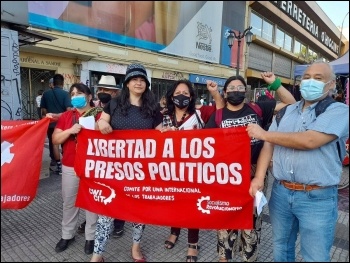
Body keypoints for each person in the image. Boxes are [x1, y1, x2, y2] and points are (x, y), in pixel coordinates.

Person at [246, 61, 349, 262]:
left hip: (317, 197)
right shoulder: (287, 111)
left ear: (330, 84)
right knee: (281, 249)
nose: (311, 82)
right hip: (281, 192)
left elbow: (310, 140)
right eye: (307, 77)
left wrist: (264, 133)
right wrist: (258, 178)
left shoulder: (339, 111)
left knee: (315, 256)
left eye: (318, 78)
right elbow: (268, 145)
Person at [204, 73, 296, 262]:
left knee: (252, 221)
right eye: (232, 88)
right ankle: (225, 257)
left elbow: (291, 103)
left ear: (245, 92)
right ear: (225, 92)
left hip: (256, 172)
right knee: (226, 218)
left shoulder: (258, 108)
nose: (236, 91)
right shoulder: (219, 115)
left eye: (240, 88)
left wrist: (274, 83)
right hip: (227, 175)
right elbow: (204, 142)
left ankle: (249, 256)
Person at [90, 63, 163, 262]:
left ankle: (136, 248)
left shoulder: (153, 108)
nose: (138, 83)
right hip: (114, 169)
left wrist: (168, 133)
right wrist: (102, 123)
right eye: (134, 79)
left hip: (141, 170)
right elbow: (100, 124)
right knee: (106, 212)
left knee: (139, 211)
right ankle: (98, 254)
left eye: (142, 80)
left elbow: (161, 134)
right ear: (127, 83)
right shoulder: (113, 104)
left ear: (146, 84)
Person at [160, 79, 224, 262]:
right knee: (174, 202)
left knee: (192, 205)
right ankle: (174, 231)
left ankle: (193, 244)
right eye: (178, 93)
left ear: (191, 96)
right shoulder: (164, 115)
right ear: (172, 96)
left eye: (186, 93)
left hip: (194, 170)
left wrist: (214, 93)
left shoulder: (199, 113)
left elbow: (220, 110)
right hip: (171, 170)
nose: (182, 96)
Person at [49, 83, 102, 255]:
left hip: (94, 167)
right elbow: (56, 139)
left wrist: (98, 129)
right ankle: (67, 235)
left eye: (79, 93)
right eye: (72, 94)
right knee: (69, 202)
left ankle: (91, 237)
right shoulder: (66, 116)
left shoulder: (100, 115)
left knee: (92, 203)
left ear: (88, 96)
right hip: (70, 165)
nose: (75, 96)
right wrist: (70, 131)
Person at [77, 75, 125, 239]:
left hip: (116, 156)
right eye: (101, 89)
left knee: (118, 189)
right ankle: (92, 220)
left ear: (114, 92)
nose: (103, 92)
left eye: (107, 90)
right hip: (96, 157)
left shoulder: (120, 107)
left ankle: (119, 221)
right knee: (96, 189)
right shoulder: (92, 108)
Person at [40, 75, 72, 175]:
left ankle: (57, 164)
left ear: (53, 83)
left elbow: (43, 111)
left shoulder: (46, 94)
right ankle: (65, 162)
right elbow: (68, 110)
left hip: (50, 123)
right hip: (64, 124)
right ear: (62, 83)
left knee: (54, 143)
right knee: (65, 143)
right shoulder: (66, 94)